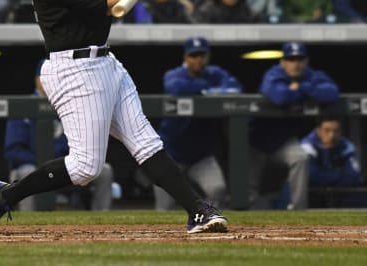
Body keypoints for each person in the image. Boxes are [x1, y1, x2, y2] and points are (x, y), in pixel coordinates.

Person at [0, 0, 227, 235]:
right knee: (84, 168)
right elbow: (106, 3)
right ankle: (4, 194)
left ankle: (198, 210)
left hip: (105, 60)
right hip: (73, 70)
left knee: (146, 143)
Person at [4, 60, 114, 211]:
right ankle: (28, 222)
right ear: (37, 80)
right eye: (46, 78)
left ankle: (101, 220)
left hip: (63, 166)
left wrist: (61, 163)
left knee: (104, 171)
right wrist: (43, 165)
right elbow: (13, 151)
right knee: (27, 172)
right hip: (32, 165)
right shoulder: (24, 106)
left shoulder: (70, 105)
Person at [249, 42, 339, 210]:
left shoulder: (310, 76)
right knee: (249, 190)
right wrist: (308, 91)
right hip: (256, 141)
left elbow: (331, 93)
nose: (295, 64)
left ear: (306, 61)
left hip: (283, 141)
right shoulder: (273, 74)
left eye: (299, 59)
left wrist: (300, 87)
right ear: (282, 62)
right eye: (291, 59)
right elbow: (279, 97)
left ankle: (298, 210)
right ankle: (247, 223)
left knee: (300, 157)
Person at [154, 36, 242, 210]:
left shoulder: (215, 73)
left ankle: (209, 220)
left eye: (202, 55)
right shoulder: (175, 74)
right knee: (164, 207)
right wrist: (209, 90)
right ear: (186, 58)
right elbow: (176, 88)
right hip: (172, 154)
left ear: (207, 57)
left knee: (217, 189)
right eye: (193, 55)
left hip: (201, 156)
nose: (198, 60)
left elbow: (235, 88)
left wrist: (204, 91)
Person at [301, 116, 362, 189]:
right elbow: (310, 176)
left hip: (340, 192)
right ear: (319, 131)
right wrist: (339, 173)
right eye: (327, 130)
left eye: (336, 131)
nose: (332, 136)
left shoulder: (347, 146)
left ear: (341, 132)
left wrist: (324, 175)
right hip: (311, 193)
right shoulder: (307, 145)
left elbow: (354, 176)